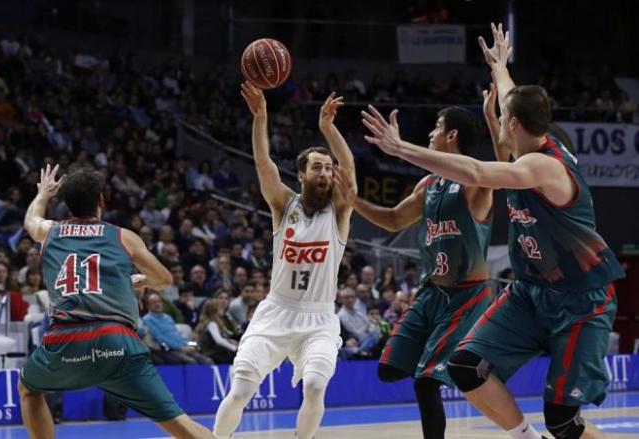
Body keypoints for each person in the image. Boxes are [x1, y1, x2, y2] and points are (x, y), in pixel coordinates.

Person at [361, 22, 625, 439]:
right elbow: (509, 97)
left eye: (503, 117)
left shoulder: (542, 165)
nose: (496, 121)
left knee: (563, 421)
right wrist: (500, 65)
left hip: (580, 298)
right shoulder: (525, 139)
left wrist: (402, 148)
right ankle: (525, 437)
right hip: (530, 290)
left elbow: (477, 168)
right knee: (466, 366)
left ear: (515, 124)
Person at [18, 165, 213, 439]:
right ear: (101, 200)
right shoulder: (123, 237)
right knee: (183, 427)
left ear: (66, 205)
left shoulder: (50, 232)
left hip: (65, 342)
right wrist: (139, 281)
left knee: (29, 387)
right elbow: (164, 280)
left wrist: (42, 194)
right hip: (117, 343)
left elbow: (31, 220)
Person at [334, 106, 493, 439]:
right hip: (431, 292)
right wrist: (353, 200)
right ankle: (469, 365)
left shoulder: (476, 182)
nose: (431, 133)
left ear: (452, 136)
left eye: (437, 127)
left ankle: (460, 366)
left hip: (466, 294)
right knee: (388, 370)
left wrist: (492, 119)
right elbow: (393, 219)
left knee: (424, 382)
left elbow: (502, 157)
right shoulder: (428, 183)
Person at [212, 84, 356, 439]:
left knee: (315, 388)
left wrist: (328, 128)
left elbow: (349, 166)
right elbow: (263, 163)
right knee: (241, 390)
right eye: (318, 168)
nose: (325, 174)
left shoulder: (339, 210)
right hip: (276, 313)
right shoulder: (283, 204)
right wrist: (260, 117)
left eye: (328, 168)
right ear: (302, 175)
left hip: (320, 318)